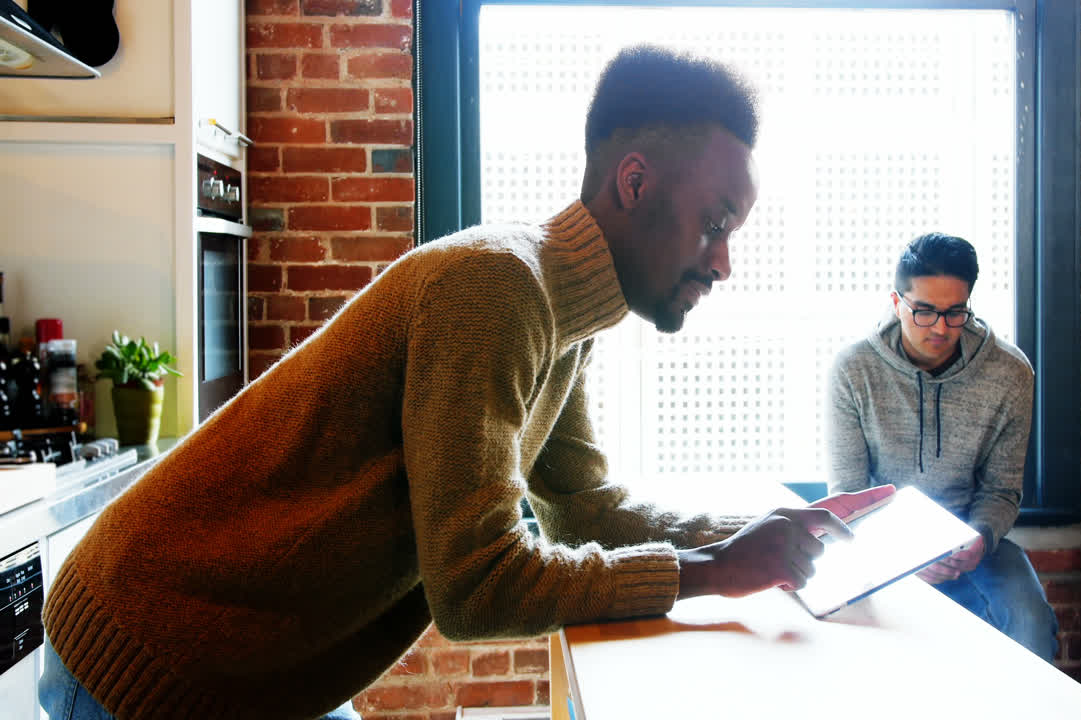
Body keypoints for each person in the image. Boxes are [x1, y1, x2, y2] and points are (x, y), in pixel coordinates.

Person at [39, 45, 863, 720]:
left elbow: (584, 508)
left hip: (237, 664)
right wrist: (715, 570)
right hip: (147, 662)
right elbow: (476, 584)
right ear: (636, 183)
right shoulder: (498, 290)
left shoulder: (561, 311)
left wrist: (771, 533)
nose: (724, 261)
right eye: (715, 224)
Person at [825, 232, 1059, 662]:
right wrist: (900, 552)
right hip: (877, 544)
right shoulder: (854, 369)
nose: (940, 328)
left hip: (971, 540)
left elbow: (1002, 491)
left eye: (955, 313)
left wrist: (980, 540)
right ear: (896, 302)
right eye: (925, 311)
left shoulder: (1010, 373)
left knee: (1029, 623)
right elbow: (848, 492)